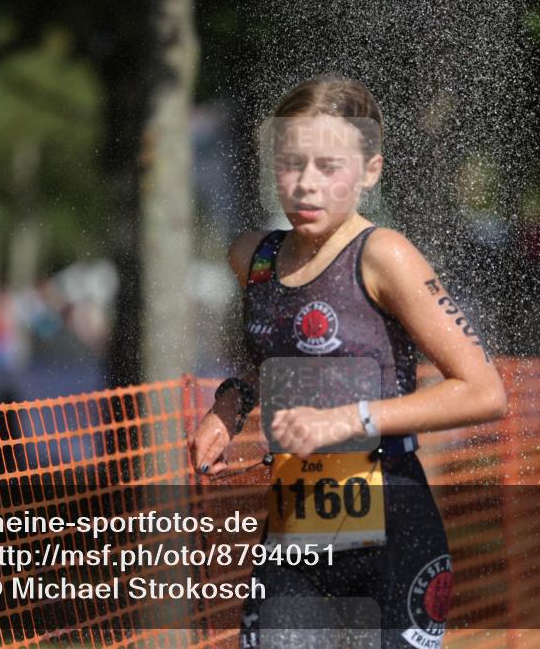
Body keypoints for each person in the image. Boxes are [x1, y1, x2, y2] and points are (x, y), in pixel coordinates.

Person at [189, 75, 508, 649]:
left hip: (393, 534)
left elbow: (484, 391)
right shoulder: (254, 259)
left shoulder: (385, 255)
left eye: (329, 166)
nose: (307, 185)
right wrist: (227, 410)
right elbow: (266, 363)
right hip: (295, 537)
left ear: (369, 171)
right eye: (291, 164)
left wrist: (345, 419)